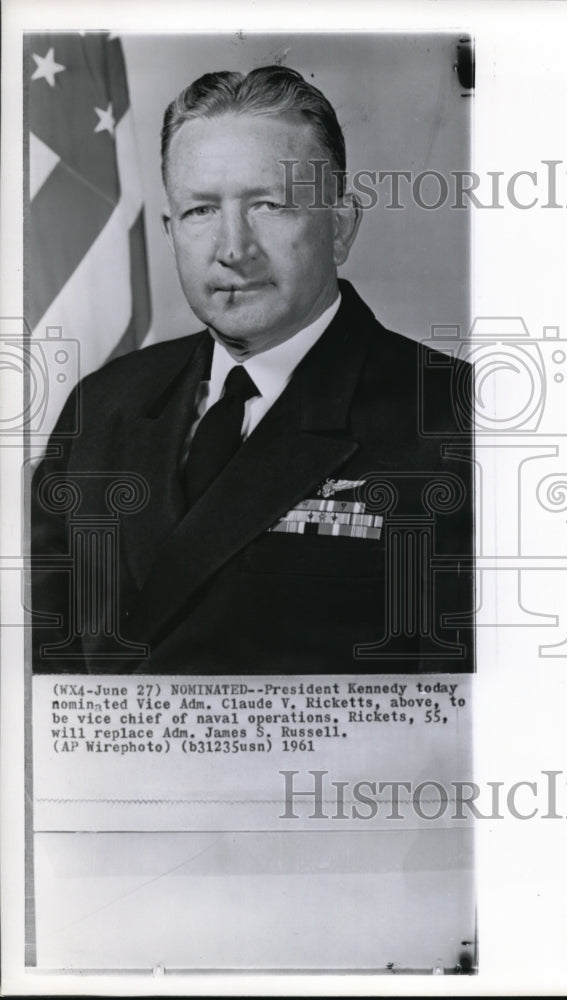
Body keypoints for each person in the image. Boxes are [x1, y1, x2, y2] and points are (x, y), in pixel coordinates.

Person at [30, 65, 473, 674]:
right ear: (170, 232)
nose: (233, 248)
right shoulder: (103, 406)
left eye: (269, 204)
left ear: (339, 227)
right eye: (200, 211)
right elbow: (42, 688)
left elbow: (473, 714)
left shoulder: (453, 420)